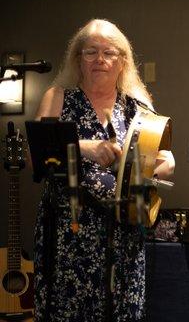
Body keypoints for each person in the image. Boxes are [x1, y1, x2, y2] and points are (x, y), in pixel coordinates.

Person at [33, 19, 175, 321]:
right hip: (69, 236)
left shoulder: (138, 106)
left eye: (109, 53)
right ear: (77, 59)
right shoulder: (58, 98)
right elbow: (39, 156)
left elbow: (161, 154)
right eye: (90, 52)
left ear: (122, 61)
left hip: (123, 237)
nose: (100, 60)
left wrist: (166, 163)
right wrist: (86, 148)